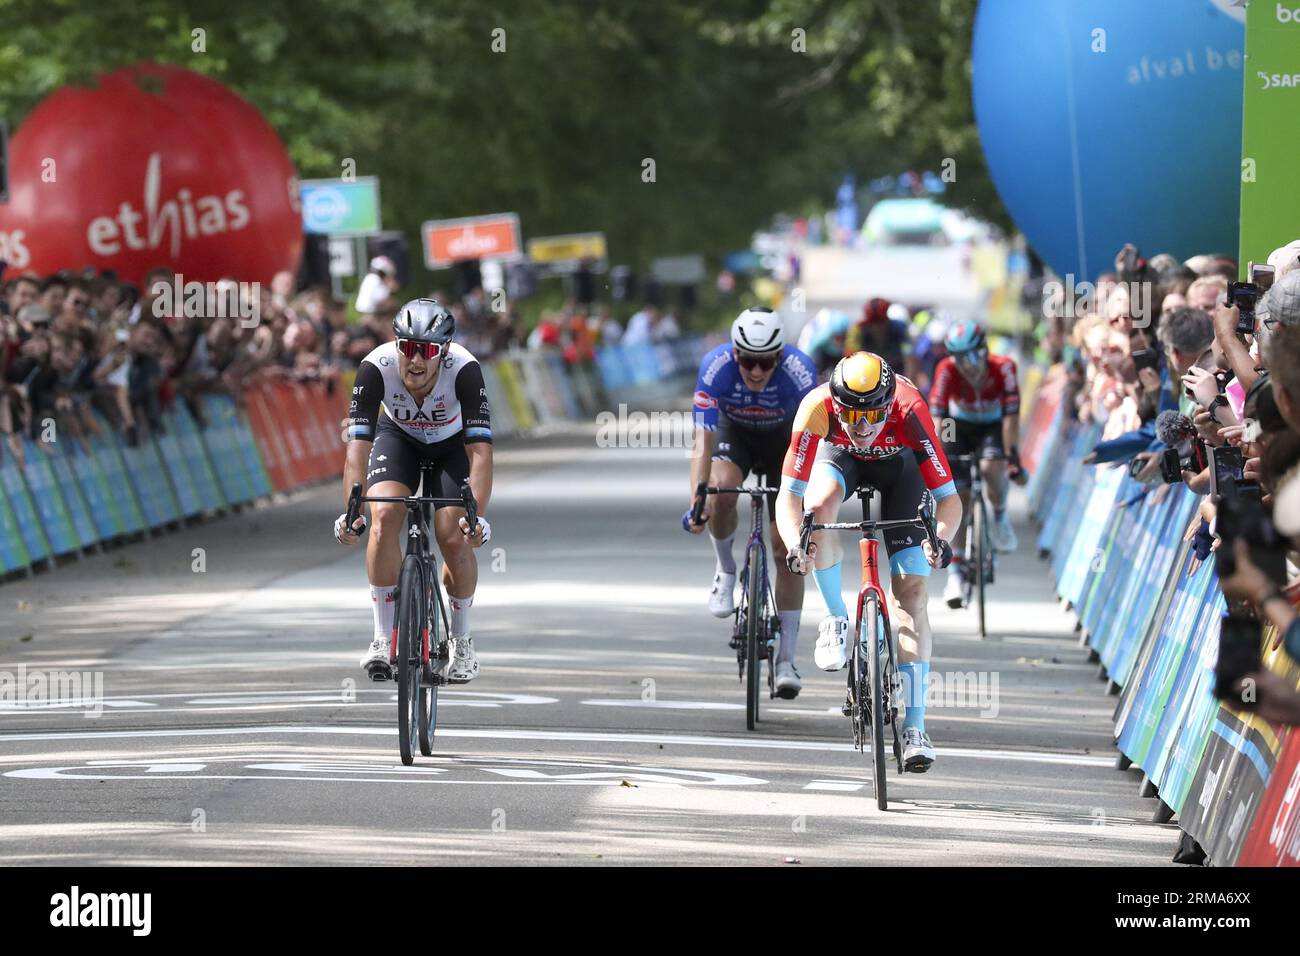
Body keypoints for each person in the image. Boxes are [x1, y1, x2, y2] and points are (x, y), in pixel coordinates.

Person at [776, 351, 961, 771]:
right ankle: (836, 617)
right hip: (840, 466)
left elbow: (950, 501)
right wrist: (794, 544)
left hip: (901, 472)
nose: (861, 427)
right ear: (835, 405)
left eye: (873, 415)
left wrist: (942, 541)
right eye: (850, 415)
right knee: (818, 506)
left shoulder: (910, 410)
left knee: (911, 595)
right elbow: (789, 495)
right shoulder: (816, 408)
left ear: (889, 402)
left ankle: (915, 728)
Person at [334, 299, 494, 684]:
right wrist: (352, 511)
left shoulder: (466, 371)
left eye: (426, 351)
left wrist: (477, 518)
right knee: (383, 516)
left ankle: (462, 639)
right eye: (407, 347)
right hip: (398, 439)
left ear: (445, 352)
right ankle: (381, 637)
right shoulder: (375, 368)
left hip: (451, 446)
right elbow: (356, 451)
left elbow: (481, 454)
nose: (415, 360)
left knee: (453, 536)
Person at [685, 307, 817, 699]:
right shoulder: (715, 368)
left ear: (780, 356)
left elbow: (813, 443)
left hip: (785, 444)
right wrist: (698, 498)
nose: (756, 372)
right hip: (735, 435)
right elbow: (702, 442)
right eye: (747, 361)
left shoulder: (801, 373)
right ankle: (725, 570)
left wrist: (808, 504)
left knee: (787, 549)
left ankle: (786, 660)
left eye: (765, 362)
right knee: (722, 489)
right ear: (734, 353)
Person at [928, 321, 1023, 607]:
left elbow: (1011, 418)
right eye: (959, 357)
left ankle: (1000, 516)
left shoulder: (1004, 367)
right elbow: (940, 419)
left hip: (994, 426)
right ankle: (955, 572)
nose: (966, 365)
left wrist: (1012, 456)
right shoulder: (946, 370)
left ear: (984, 350)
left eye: (971, 356)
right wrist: (940, 461)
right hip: (960, 426)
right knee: (958, 495)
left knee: (990, 467)